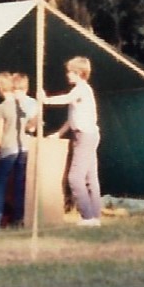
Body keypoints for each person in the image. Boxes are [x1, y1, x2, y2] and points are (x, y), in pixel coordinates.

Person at [40, 56, 103, 226]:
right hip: (87, 135)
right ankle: (95, 216)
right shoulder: (80, 92)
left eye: (70, 72)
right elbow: (72, 119)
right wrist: (59, 133)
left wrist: (46, 100)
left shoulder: (81, 89)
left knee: (75, 178)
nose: (67, 75)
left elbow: (65, 99)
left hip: (85, 136)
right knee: (91, 177)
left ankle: (88, 217)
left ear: (79, 73)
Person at [0, 71, 39, 226]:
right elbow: (32, 125)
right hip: (24, 147)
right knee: (19, 183)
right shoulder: (24, 105)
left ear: (0, 88)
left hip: (9, 147)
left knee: (1, 183)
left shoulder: (2, 107)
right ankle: (19, 218)